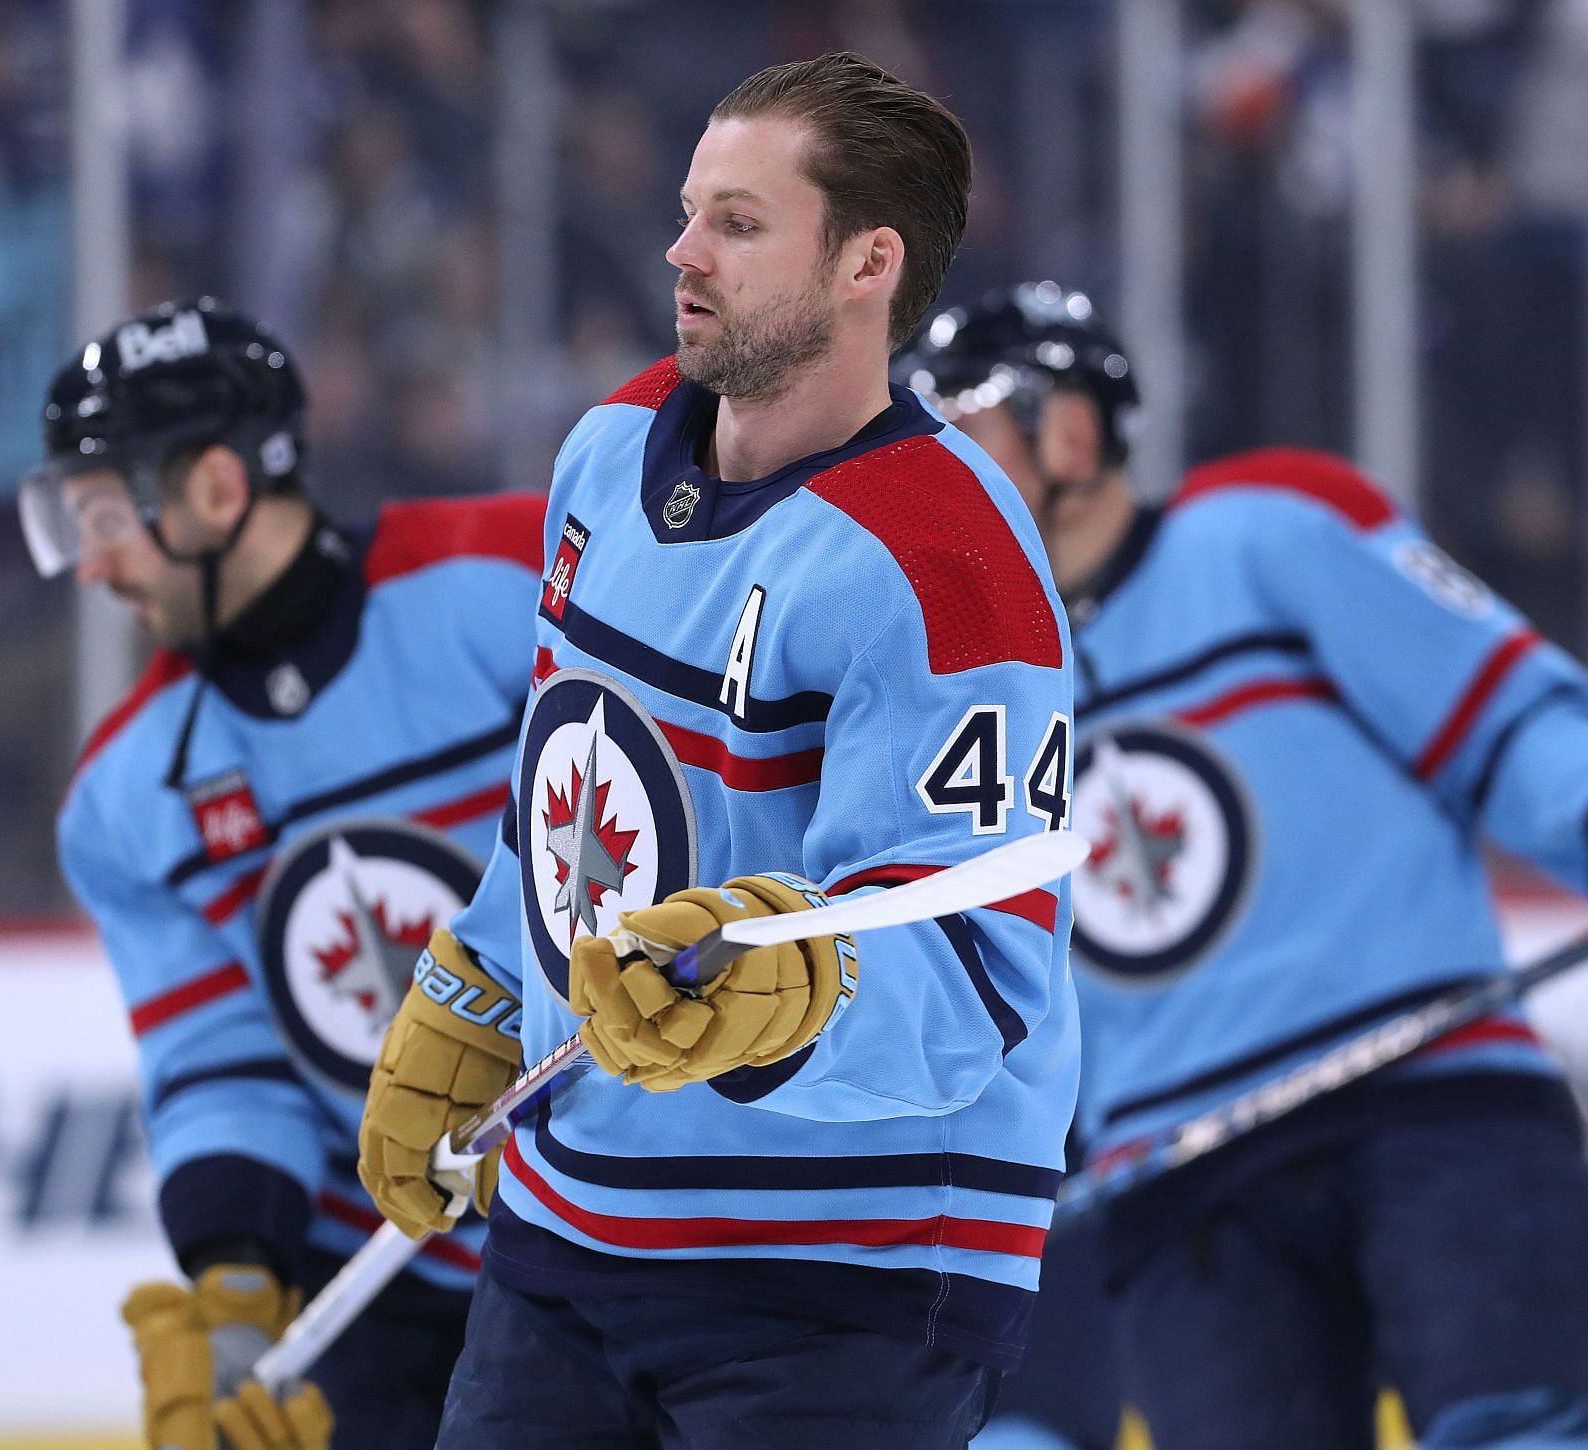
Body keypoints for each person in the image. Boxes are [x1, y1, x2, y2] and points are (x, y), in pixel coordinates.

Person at [896, 282, 1588, 1450]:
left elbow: (1495, 707)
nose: (932, 471)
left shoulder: (1265, 534)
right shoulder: (948, 688)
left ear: (1071, 429)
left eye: (965, 422)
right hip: (1183, 1189)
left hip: (1437, 1104)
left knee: (1525, 1430)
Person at [355, 54, 1078, 1450]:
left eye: (739, 225)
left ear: (868, 263)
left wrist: (789, 981)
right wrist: (481, 982)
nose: (682, 252)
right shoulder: (611, 447)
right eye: (692, 212)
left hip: (838, 1275)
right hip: (575, 1229)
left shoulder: (947, 564)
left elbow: (976, 978)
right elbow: (569, 797)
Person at [26, 298, 545, 1450]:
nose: (92, 563)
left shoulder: (515, 579)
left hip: (617, 1222)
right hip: (373, 1272)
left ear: (216, 489)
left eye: (105, 514)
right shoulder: (125, 799)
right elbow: (219, 1060)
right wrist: (234, 1282)